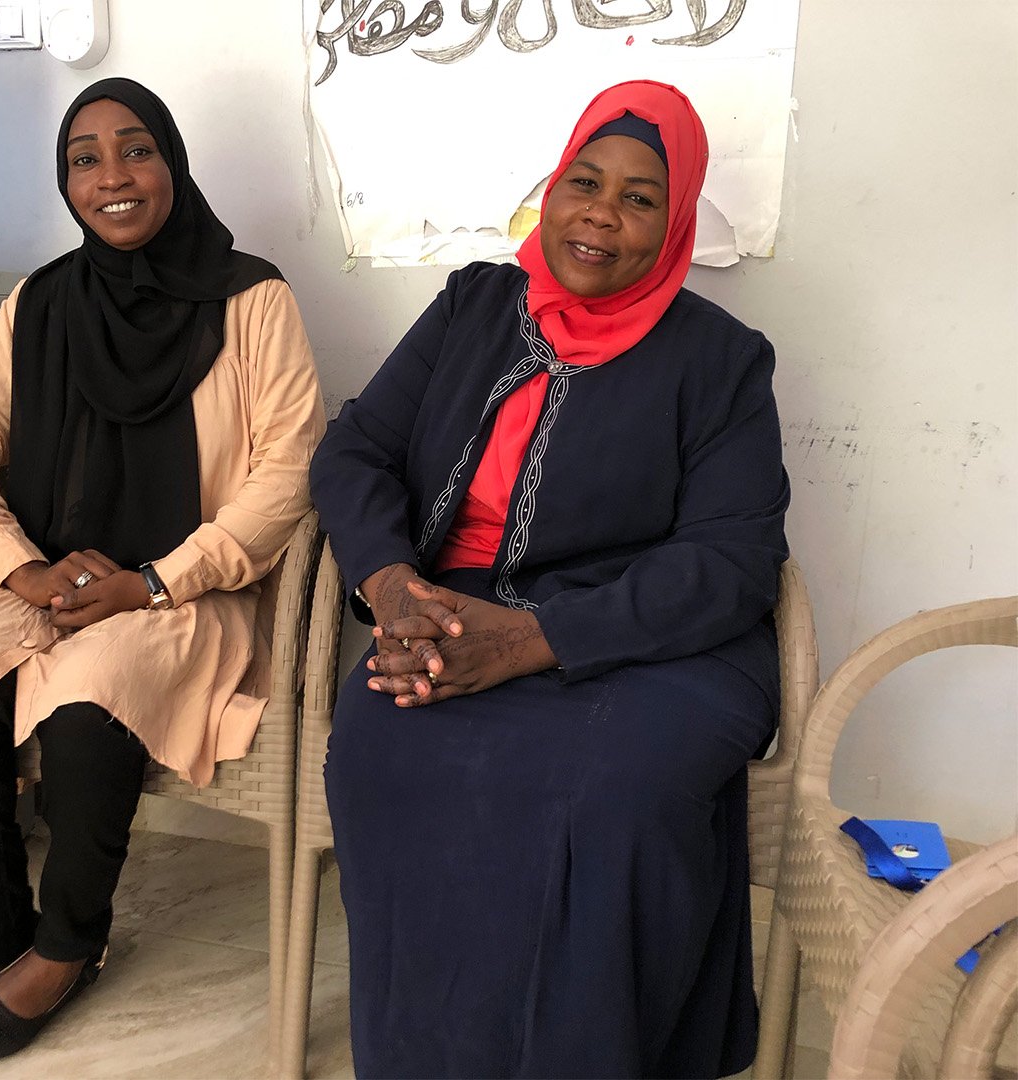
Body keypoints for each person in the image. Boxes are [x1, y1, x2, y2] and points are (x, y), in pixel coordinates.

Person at [309, 80, 790, 1079]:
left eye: (640, 197)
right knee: (379, 737)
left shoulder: (720, 360)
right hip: (451, 604)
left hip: (651, 639)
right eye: (585, 181)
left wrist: (530, 642)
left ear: (677, 219)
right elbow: (355, 451)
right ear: (553, 187)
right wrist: (393, 586)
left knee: (618, 792)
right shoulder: (471, 305)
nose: (601, 215)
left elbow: (732, 561)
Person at [0, 77, 324, 1065]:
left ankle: (71, 945)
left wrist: (158, 578)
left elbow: (289, 475)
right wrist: (19, 567)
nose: (112, 176)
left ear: (172, 161)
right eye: (85, 157)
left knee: (88, 709)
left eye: (136, 149)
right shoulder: (42, 303)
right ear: (67, 181)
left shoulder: (253, 298)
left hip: (187, 589)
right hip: (52, 581)